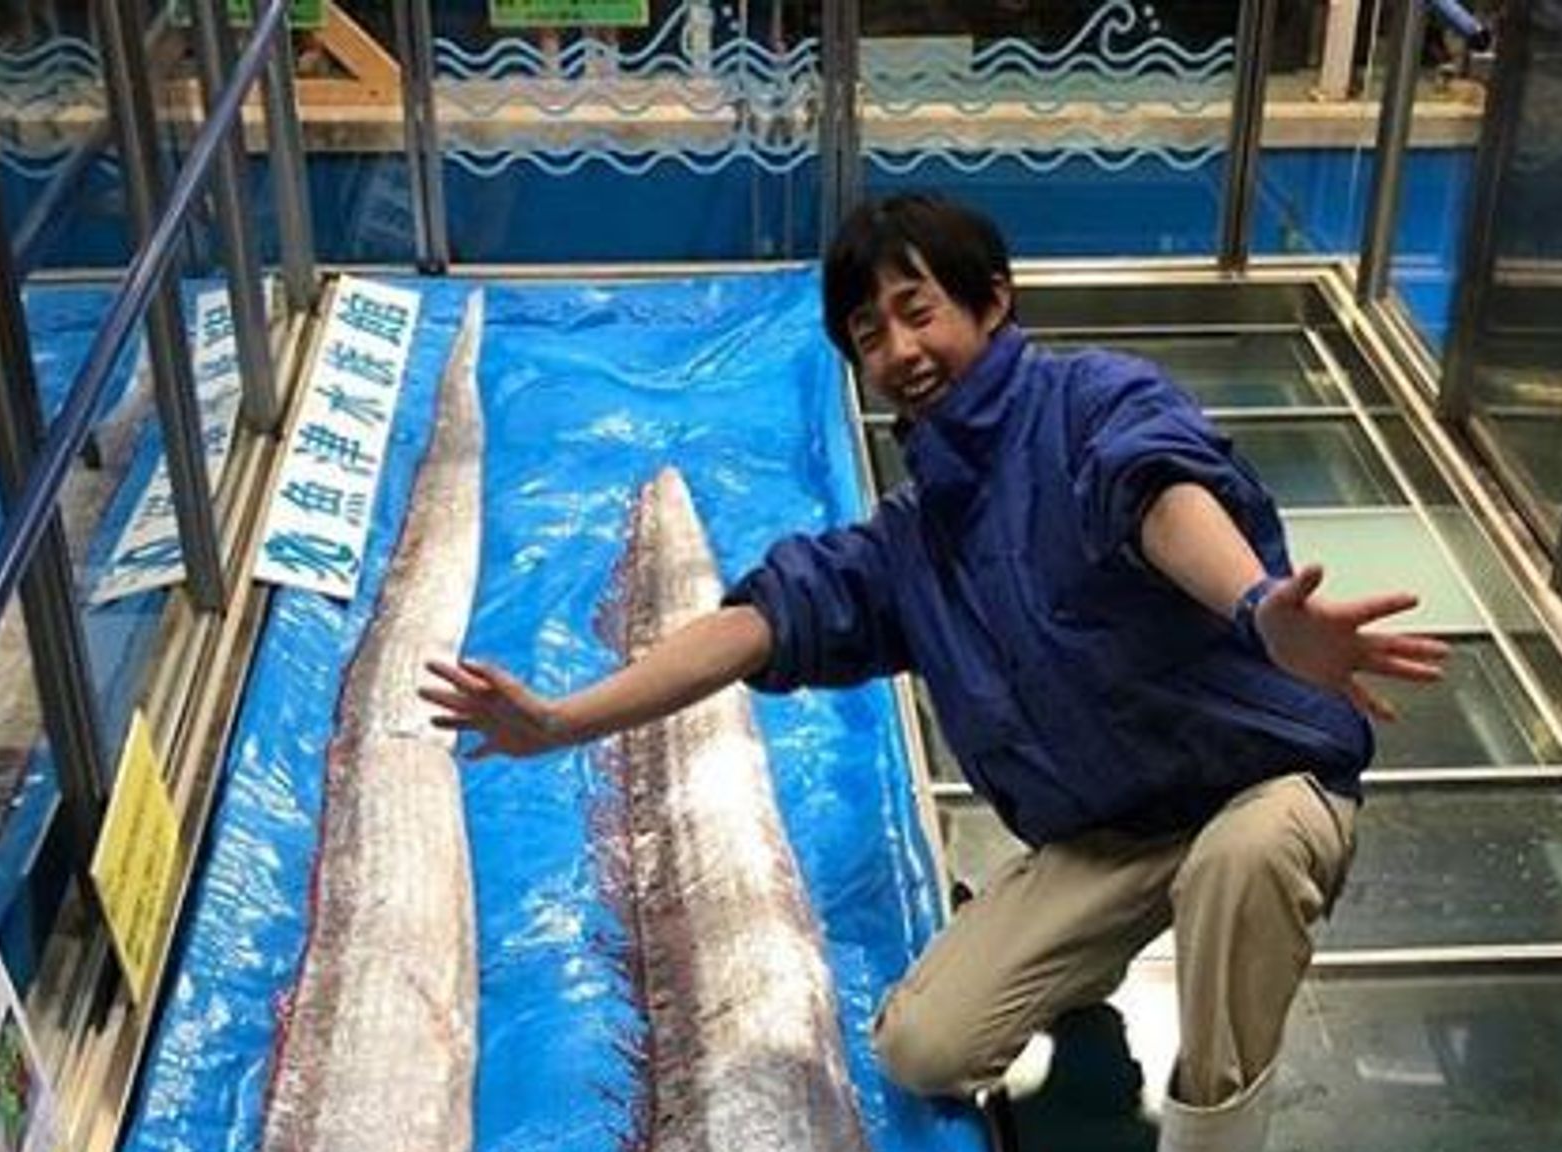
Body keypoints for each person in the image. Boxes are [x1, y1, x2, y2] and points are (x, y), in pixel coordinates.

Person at [419, 193, 1449, 1152]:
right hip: (1112, 834)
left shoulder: (1091, 402)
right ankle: (1092, 941)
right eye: (869, 335)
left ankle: (1216, 1131)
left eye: (917, 313)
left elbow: (1154, 492)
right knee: (924, 1047)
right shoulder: (913, 543)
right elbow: (762, 621)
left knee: (1240, 864)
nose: (899, 350)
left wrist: (1252, 607)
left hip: (1259, 784)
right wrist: (563, 721)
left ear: (991, 299)